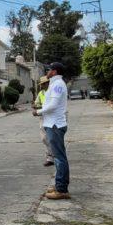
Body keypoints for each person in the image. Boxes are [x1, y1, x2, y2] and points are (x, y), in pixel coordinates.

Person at [33, 62, 70, 200]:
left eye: (48, 69)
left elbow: (53, 105)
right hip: (52, 124)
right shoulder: (54, 84)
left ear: (54, 72)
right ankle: (60, 185)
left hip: (55, 125)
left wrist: (38, 112)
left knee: (59, 158)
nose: (46, 72)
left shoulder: (58, 84)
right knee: (58, 157)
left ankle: (61, 189)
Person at [34, 76, 54, 167]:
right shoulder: (41, 93)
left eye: (45, 83)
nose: (43, 85)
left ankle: (51, 158)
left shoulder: (53, 93)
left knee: (53, 138)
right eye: (42, 84)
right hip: (43, 117)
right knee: (44, 138)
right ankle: (51, 156)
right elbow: (36, 104)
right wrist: (36, 107)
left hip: (52, 118)